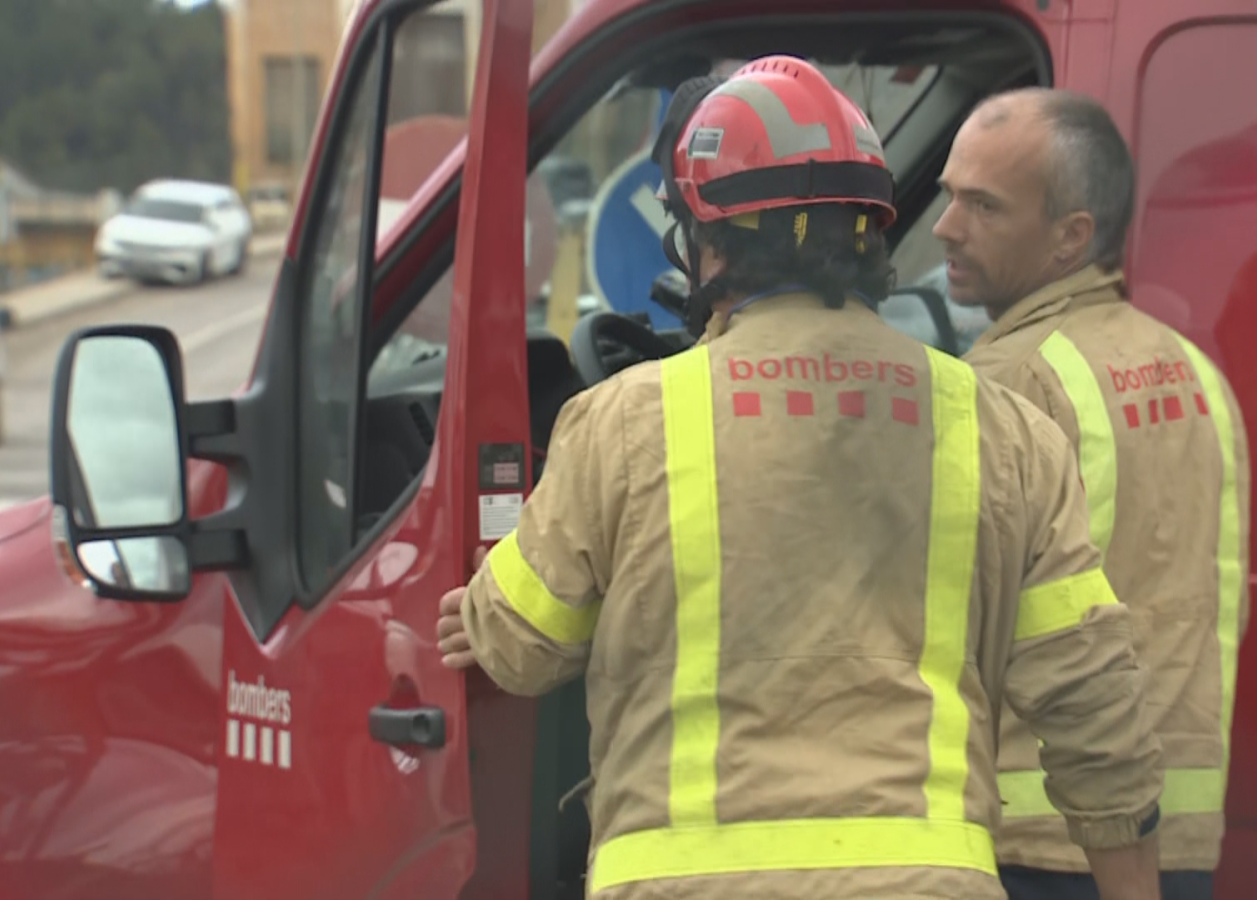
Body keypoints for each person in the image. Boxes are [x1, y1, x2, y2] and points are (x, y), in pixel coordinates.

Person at [437, 59, 1165, 900]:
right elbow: (1092, 699)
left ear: (702, 237)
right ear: (869, 229)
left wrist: (482, 613)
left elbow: (524, 647)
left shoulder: (629, 420)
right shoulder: (1000, 426)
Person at [931, 86, 1252, 900]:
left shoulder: (1003, 384)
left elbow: (932, 618)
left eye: (983, 206)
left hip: (1034, 834)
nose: (945, 228)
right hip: (1170, 836)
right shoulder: (1195, 372)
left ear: (1072, 237)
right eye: (946, 196)